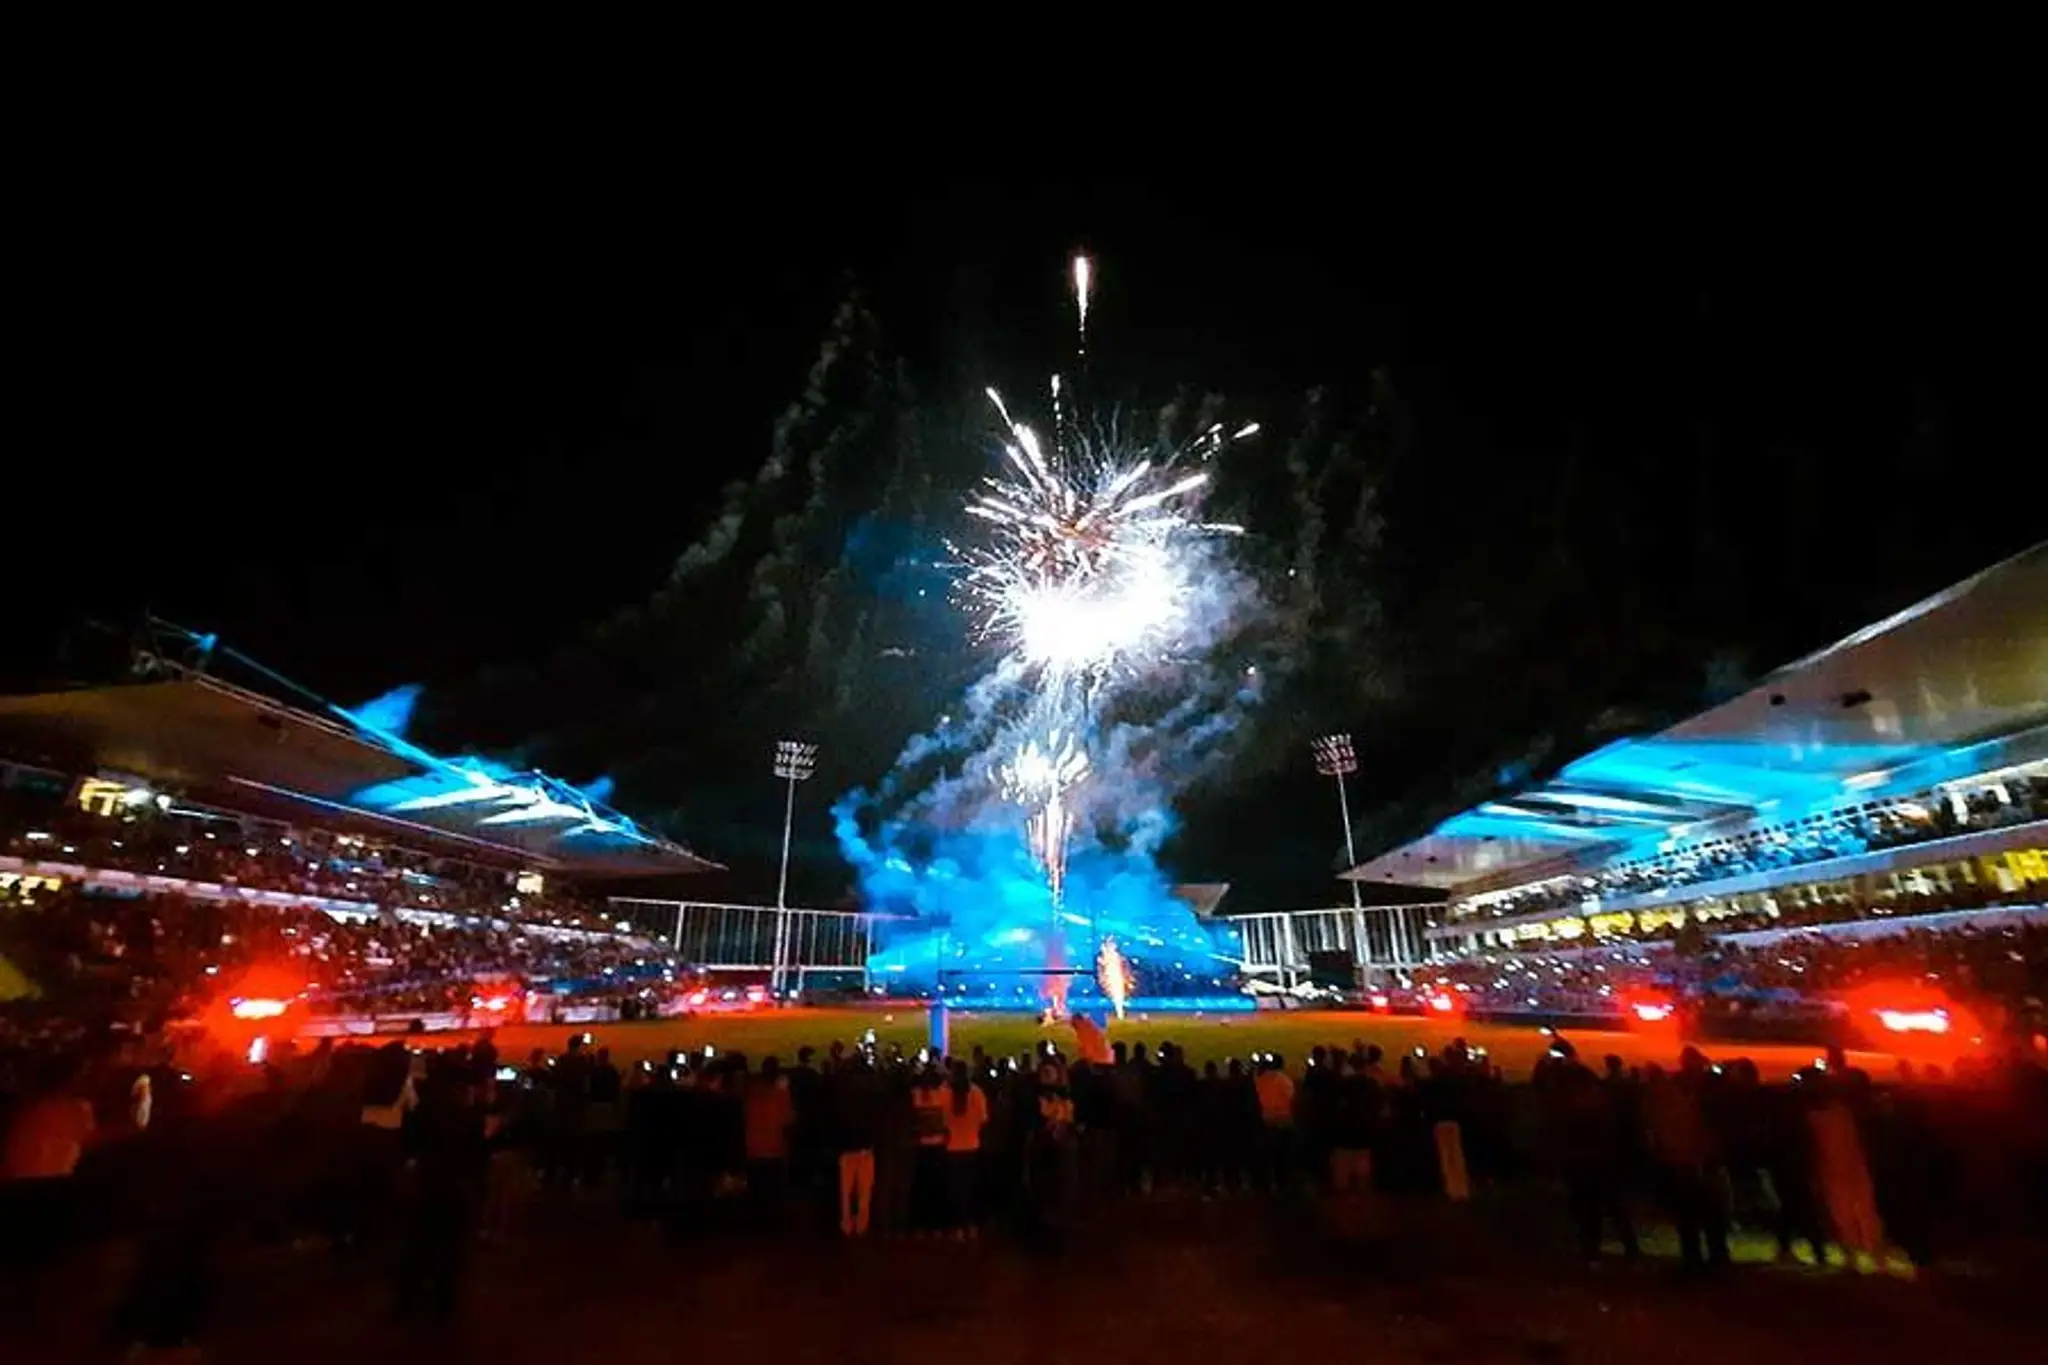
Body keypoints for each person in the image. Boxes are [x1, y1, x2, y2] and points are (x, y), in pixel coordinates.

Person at [742, 1057, 794, 1229]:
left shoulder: (751, 1094)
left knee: (758, 1193)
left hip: (754, 1150)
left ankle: (759, 1224)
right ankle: (774, 1225)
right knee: (775, 1193)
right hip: (774, 1150)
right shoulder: (780, 1095)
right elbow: (787, 1121)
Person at [940, 1060, 990, 1237]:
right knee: (970, 1188)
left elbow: (941, 1119)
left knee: (954, 1189)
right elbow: (984, 1119)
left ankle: (958, 1226)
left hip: (952, 1147)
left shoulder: (945, 1092)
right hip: (971, 1145)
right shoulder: (976, 1092)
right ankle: (971, 1224)